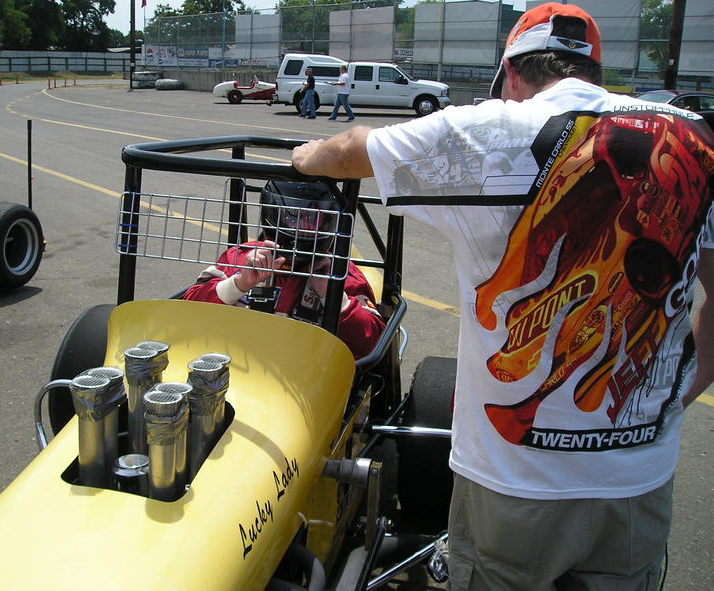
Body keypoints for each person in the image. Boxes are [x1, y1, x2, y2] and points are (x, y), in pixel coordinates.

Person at [292, 2, 714, 589]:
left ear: (512, 72)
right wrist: (678, 399)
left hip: (514, 480)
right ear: (590, 71)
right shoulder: (692, 140)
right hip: (638, 479)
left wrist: (302, 156)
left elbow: (351, 150)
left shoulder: (495, 128)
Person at [183, 181, 384, 360]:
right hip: (239, 367)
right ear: (273, 215)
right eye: (294, 218)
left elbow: (373, 345)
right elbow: (188, 313)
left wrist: (334, 297)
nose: (303, 228)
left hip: (309, 381)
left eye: (313, 219)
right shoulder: (240, 258)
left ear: (328, 221)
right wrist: (239, 283)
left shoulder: (341, 274)